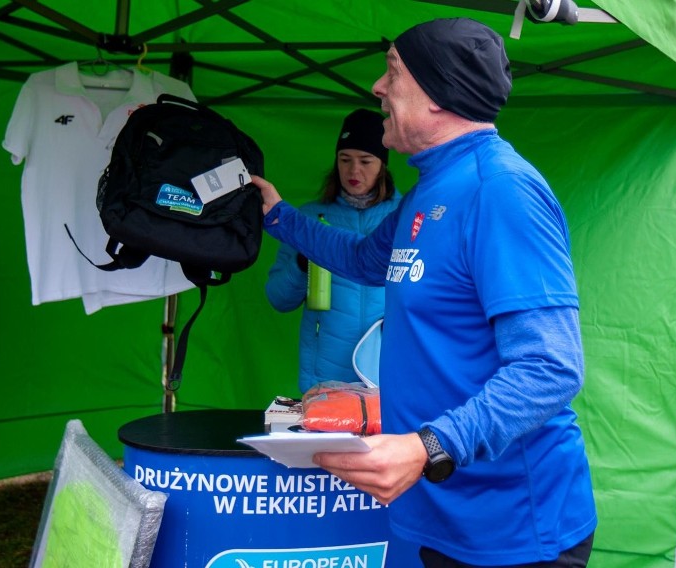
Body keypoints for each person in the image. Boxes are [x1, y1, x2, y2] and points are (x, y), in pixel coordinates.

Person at [252, 17, 596, 568]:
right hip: (438, 511)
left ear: (437, 96)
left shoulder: (500, 190)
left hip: (511, 529)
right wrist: (280, 217)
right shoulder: (426, 189)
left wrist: (428, 446)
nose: (377, 89)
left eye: (392, 73)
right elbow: (362, 260)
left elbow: (551, 366)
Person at [264, 109, 400, 394]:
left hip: (387, 368)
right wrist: (302, 263)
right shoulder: (308, 220)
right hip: (323, 373)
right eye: (345, 160)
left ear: (383, 165)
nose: (354, 171)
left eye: (366, 161)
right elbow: (278, 298)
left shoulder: (404, 217)